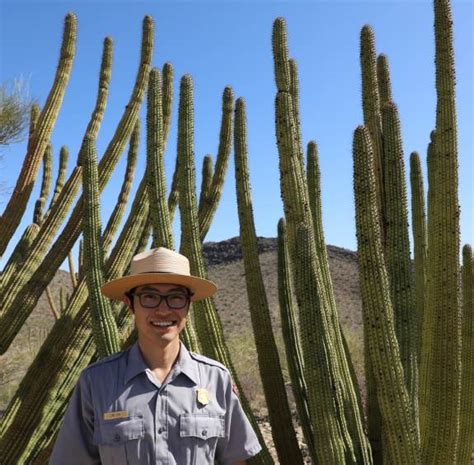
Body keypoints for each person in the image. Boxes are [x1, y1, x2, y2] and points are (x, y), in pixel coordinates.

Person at [50, 247, 262, 465]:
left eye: (175, 297)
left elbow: (235, 460)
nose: (163, 310)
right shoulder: (96, 382)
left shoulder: (216, 379)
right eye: (149, 297)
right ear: (130, 304)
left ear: (188, 306)